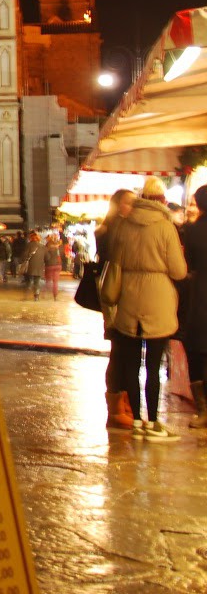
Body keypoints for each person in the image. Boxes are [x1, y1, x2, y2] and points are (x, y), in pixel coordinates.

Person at [106, 176, 188, 442]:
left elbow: (115, 264)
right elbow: (178, 270)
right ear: (162, 201)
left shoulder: (123, 226)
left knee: (130, 363)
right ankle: (153, 423)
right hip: (158, 301)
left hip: (129, 299)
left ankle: (138, 421)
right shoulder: (166, 227)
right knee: (153, 365)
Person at [96, 188, 137, 429]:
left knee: (124, 350)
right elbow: (116, 262)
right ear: (118, 205)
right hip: (114, 296)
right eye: (129, 203)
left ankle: (124, 403)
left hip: (122, 295)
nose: (133, 207)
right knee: (119, 349)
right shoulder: (111, 230)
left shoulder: (113, 228)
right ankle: (116, 407)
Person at [181, 185, 207, 429]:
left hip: (199, 295)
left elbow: (187, 264)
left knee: (197, 354)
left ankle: (203, 411)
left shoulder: (193, 230)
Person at [22, 231, 46, 301]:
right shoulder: (42, 246)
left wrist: (23, 261)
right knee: (37, 282)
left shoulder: (29, 245)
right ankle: (36, 296)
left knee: (29, 281)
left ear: (31, 238)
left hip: (30, 267)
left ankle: (26, 295)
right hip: (39, 267)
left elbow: (25, 255)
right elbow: (47, 257)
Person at [44, 234, 63, 300]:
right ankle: (55, 295)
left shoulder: (47, 248)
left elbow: (46, 257)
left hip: (49, 265)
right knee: (55, 282)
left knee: (48, 280)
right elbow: (62, 255)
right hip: (58, 265)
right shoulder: (58, 248)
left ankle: (45, 293)